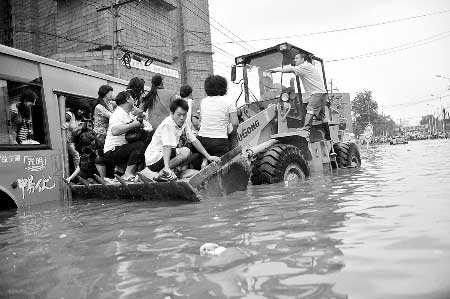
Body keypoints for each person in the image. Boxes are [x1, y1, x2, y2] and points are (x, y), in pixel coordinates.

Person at [140, 98, 220, 181]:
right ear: (172, 113)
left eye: (184, 114)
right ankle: (162, 173)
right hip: (154, 159)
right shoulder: (167, 124)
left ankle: (170, 170)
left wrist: (208, 156)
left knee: (193, 154)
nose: (182, 118)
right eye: (179, 114)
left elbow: (194, 140)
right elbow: (167, 146)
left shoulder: (184, 123)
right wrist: (167, 167)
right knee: (185, 151)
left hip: (163, 156)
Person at [269, 53, 329, 136]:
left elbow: (290, 69)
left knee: (310, 108)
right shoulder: (306, 67)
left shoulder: (305, 66)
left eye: (297, 58)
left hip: (317, 93)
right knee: (322, 116)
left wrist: (274, 70)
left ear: (303, 59)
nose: (295, 60)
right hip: (321, 93)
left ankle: (306, 128)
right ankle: (328, 135)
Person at [103, 91, 146, 181]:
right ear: (127, 99)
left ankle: (131, 174)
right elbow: (114, 131)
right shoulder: (117, 114)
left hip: (122, 149)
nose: (133, 100)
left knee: (144, 144)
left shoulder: (128, 114)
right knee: (139, 145)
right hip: (112, 151)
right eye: (132, 98)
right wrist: (133, 125)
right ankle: (127, 174)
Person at [197, 75, 239, 158]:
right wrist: (229, 132)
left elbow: (201, 120)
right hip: (219, 143)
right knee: (234, 133)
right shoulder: (229, 102)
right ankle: (235, 157)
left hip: (201, 140)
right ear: (223, 87)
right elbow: (235, 123)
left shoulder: (203, 101)